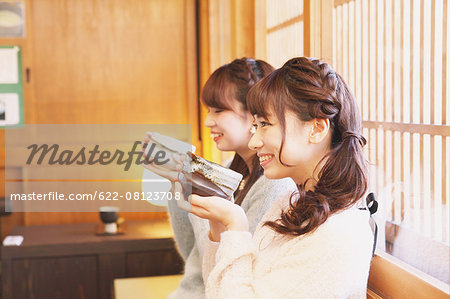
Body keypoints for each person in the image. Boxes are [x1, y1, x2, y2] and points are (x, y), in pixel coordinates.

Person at [176, 57, 374, 298]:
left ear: (317, 129)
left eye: (265, 124)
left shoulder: (339, 234)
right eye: (255, 125)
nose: (254, 141)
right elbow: (217, 289)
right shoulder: (288, 204)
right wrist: (219, 228)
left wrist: (235, 226)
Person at [142, 58, 297, 298]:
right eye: (208, 110)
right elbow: (191, 250)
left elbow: (224, 265)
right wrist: (179, 181)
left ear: (254, 115)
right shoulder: (228, 170)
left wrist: (197, 181)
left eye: (219, 110)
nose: (207, 121)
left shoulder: (274, 183)